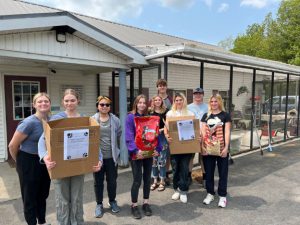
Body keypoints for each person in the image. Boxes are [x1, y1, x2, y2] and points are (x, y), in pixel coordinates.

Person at [38, 89, 101, 225]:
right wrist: (45, 158)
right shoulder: (56, 119)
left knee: (77, 198)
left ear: (78, 101)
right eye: (66, 100)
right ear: (62, 102)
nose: (69, 103)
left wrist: (99, 160)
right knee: (62, 200)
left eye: (72, 100)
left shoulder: (85, 120)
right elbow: (42, 141)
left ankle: (78, 222)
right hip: (60, 166)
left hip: (79, 165)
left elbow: (94, 143)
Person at [8, 92, 51, 225]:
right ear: (34, 105)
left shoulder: (50, 121)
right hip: (28, 161)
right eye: (40, 101)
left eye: (46, 101)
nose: (43, 104)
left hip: (44, 161)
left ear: (49, 104)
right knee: (30, 197)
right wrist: (19, 162)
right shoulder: (28, 123)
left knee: (42, 194)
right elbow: (12, 145)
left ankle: (42, 222)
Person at [125, 94, 162, 219]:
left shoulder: (149, 117)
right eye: (140, 102)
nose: (142, 105)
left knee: (147, 178)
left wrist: (158, 149)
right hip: (137, 154)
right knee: (137, 180)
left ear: (147, 105)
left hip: (148, 153)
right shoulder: (130, 117)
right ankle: (134, 205)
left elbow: (155, 134)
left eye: (144, 103)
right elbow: (129, 136)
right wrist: (135, 150)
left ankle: (146, 203)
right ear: (136, 103)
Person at [91, 95, 122, 218]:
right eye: (102, 104)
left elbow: (119, 134)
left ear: (110, 107)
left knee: (112, 181)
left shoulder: (115, 120)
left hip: (111, 157)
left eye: (107, 105)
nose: (104, 107)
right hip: (97, 158)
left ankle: (112, 201)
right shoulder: (92, 119)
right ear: (98, 106)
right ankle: (99, 204)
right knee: (98, 182)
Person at [201, 94, 231, 208]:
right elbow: (203, 133)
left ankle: (222, 196)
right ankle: (210, 193)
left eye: (216, 101)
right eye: (212, 101)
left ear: (219, 102)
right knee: (209, 172)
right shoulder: (205, 116)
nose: (214, 103)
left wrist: (226, 147)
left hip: (221, 148)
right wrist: (202, 147)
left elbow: (227, 132)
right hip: (208, 149)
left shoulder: (225, 115)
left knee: (223, 173)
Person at [164, 92, 194, 203]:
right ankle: (176, 189)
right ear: (174, 102)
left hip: (186, 145)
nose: (178, 102)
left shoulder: (190, 113)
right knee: (176, 168)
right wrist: (167, 136)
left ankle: (183, 190)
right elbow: (166, 128)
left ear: (184, 100)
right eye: (176, 100)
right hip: (174, 146)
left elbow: (193, 129)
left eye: (180, 100)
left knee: (185, 168)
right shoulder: (170, 113)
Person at [187, 87, 208, 185]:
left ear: (203, 95)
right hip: (192, 135)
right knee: (190, 157)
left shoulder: (208, 107)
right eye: (196, 94)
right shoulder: (188, 107)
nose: (198, 95)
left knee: (203, 157)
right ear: (193, 95)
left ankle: (205, 178)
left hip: (205, 135)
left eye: (200, 93)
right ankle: (188, 177)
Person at [149, 95, 169, 192]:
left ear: (162, 101)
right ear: (153, 101)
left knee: (162, 160)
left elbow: (167, 125)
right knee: (154, 160)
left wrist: (160, 130)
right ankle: (154, 180)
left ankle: (162, 181)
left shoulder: (166, 112)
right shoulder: (150, 112)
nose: (157, 101)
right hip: (152, 138)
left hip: (162, 137)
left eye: (159, 100)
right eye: (155, 100)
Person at [156, 78, 172, 185]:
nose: (162, 87)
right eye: (160, 85)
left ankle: (165, 174)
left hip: (167, 130)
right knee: (156, 153)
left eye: (163, 85)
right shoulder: (154, 99)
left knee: (167, 154)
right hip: (156, 132)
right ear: (157, 87)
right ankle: (156, 175)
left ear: (166, 87)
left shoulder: (170, 100)